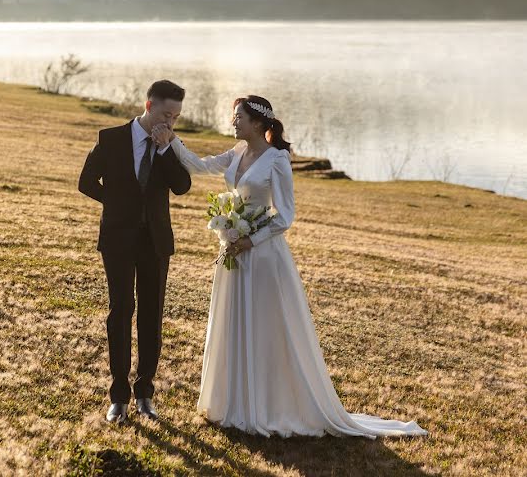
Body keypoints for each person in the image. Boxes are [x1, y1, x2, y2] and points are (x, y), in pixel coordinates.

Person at [150, 95, 428, 438]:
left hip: (263, 256)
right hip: (234, 254)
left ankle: (270, 405)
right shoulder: (236, 153)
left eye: (238, 117)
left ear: (257, 123)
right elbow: (199, 165)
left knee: (266, 328)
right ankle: (234, 402)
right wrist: (172, 140)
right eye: (233, 116)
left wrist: (249, 240)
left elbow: (285, 216)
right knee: (235, 322)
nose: (233, 122)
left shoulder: (277, 159)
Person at [78, 80, 192, 424]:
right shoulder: (110, 138)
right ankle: (118, 396)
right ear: (148, 105)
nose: (170, 121)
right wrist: (115, 206)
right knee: (120, 311)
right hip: (118, 240)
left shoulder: (172, 144)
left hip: (156, 243)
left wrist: (164, 149)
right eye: (165, 114)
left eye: (175, 117)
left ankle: (145, 394)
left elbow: (182, 187)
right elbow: (86, 181)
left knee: (151, 316)